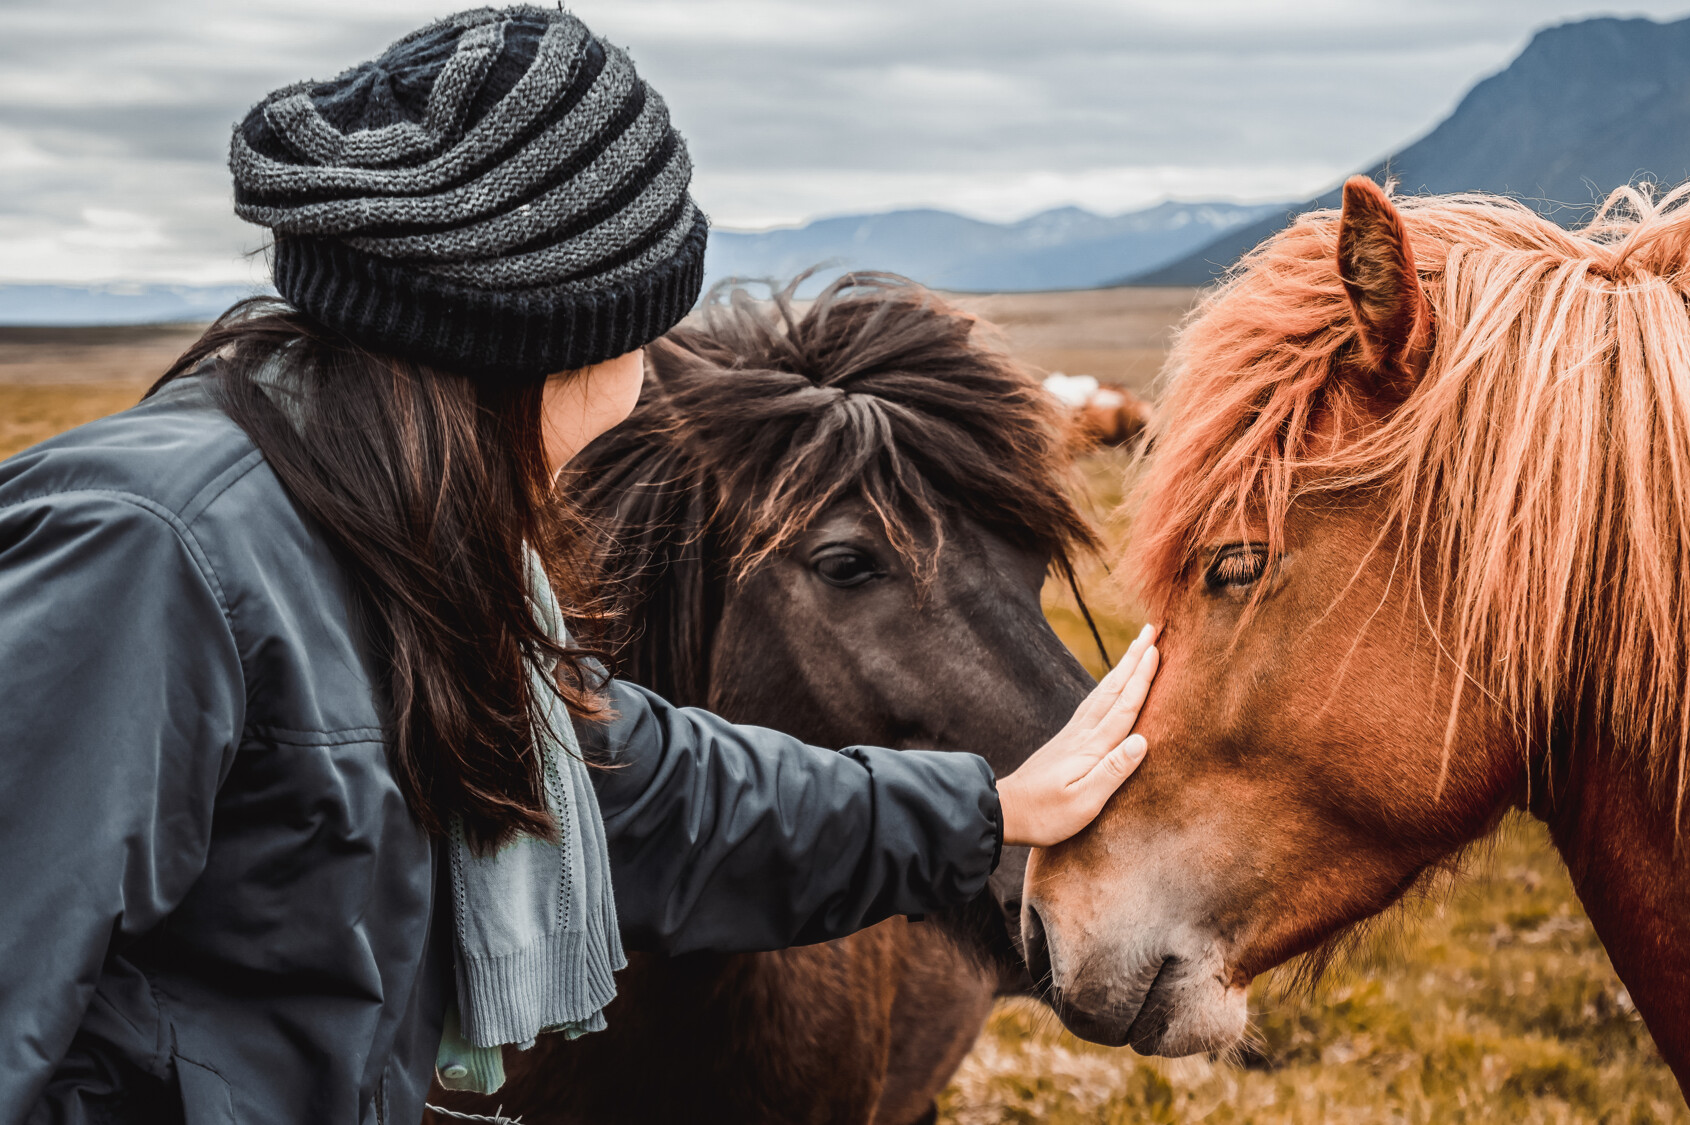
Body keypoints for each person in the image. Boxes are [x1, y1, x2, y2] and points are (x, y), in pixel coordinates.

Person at [0, 8, 1157, 1123]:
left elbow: (638, 793)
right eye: (640, 336)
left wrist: (986, 809)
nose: (649, 379)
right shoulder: (155, 552)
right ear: (543, 352)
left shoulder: (391, 535)